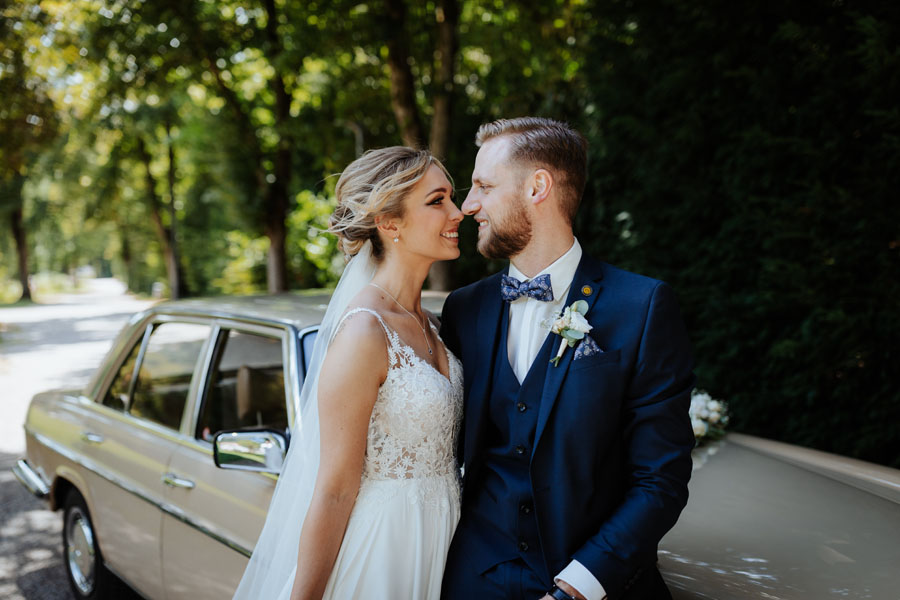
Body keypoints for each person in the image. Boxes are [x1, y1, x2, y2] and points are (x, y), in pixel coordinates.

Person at [440, 117, 695, 600]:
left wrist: (579, 586)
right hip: (472, 579)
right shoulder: (464, 310)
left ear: (538, 187)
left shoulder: (640, 307)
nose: (468, 205)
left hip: (594, 582)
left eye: (483, 186)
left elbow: (660, 480)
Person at [233, 146, 465, 600]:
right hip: (382, 548)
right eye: (437, 201)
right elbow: (335, 490)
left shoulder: (434, 325)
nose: (458, 212)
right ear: (389, 222)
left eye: (451, 198)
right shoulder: (364, 331)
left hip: (444, 539)